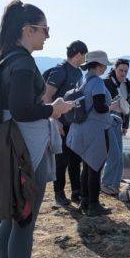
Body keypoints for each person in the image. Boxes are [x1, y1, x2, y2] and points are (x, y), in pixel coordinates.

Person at [0, 0, 74, 258]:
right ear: (28, 30)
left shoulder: (7, 58)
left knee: (10, 218)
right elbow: (24, 110)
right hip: (28, 148)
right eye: (44, 29)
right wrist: (55, 109)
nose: (48, 35)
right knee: (24, 219)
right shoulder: (23, 63)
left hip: (11, 145)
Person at [66, 51, 115, 216]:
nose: (106, 68)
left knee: (87, 167)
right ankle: (94, 204)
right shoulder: (98, 83)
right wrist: (112, 107)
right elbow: (100, 107)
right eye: (104, 65)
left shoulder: (82, 79)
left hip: (81, 129)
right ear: (99, 65)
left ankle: (85, 202)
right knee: (96, 167)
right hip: (96, 130)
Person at [43, 40, 88, 207]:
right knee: (61, 160)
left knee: (75, 158)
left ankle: (76, 192)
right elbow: (47, 97)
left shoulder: (78, 72)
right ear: (79, 55)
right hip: (60, 123)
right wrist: (55, 121)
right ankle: (59, 193)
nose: (85, 59)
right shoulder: (60, 71)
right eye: (85, 55)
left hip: (73, 123)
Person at [101, 58, 130, 196]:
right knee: (114, 154)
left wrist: (126, 125)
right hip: (107, 119)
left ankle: (114, 185)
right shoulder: (106, 82)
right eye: (121, 70)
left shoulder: (128, 84)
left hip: (119, 119)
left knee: (119, 156)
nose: (123, 73)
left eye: (126, 71)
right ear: (114, 69)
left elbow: (128, 105)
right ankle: (105, 184)